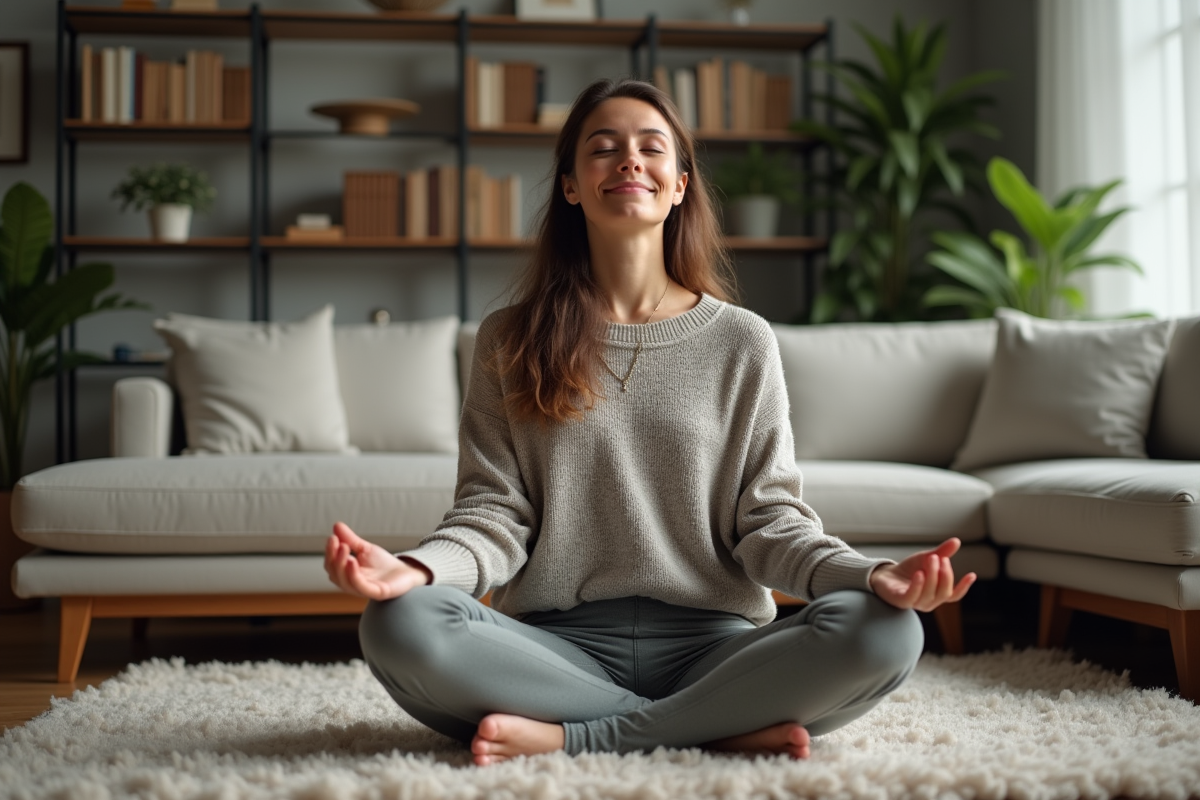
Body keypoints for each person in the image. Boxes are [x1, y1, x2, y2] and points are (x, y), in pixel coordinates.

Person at [324, 78, 975, 766]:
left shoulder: (743, 341)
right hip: (553, 650)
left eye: (651, 147)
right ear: (571, 185)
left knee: (887, 630)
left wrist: (870, 577)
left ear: (680, 184)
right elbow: (493, 515)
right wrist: (415, 570)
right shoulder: (509, 338)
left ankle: (580, 736)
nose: (629, 160)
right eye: (604, 148)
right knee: (399, 622)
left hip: (716, 649)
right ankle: (711, 729)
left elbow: (771, 523)